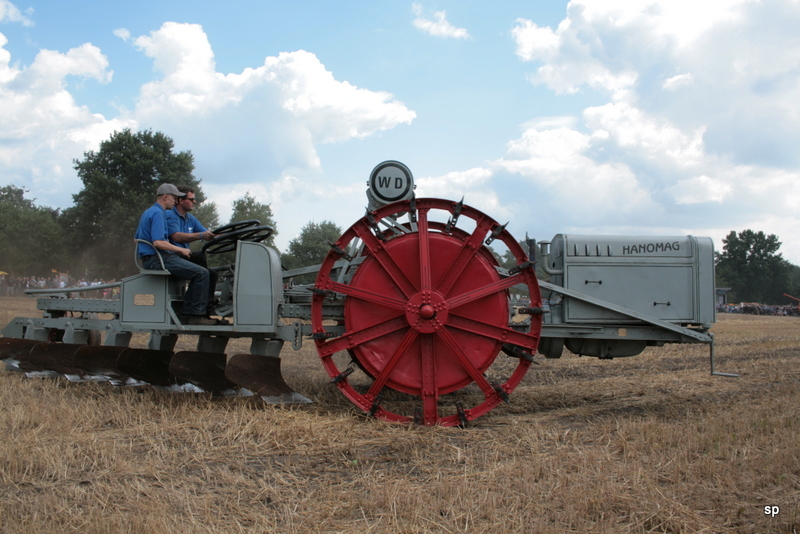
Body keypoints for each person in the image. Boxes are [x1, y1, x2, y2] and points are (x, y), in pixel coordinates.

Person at [134, 183, 215, 326]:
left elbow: (137, 238)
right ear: (165, 197)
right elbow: (158, 242)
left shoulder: (150, 212)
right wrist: (180, 250)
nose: (175, 201)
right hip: (156, 259)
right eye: (174, 198)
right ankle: (194, 315)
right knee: (201, 273)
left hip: (154, 257)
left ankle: (198, 307)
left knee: (206, 271)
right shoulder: (159, 213)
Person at [165, 185, 218, 310]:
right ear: (181, 200)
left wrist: (230, 235)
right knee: (201, 266)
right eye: (192, 199)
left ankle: (206, 304)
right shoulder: (170, 215)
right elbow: (177, 237)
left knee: (212, 274)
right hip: (172, 256)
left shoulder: (190, 219)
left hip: (183, 255)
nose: (195, 202)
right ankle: (193, 309)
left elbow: (208, 233)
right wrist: (201, 235)